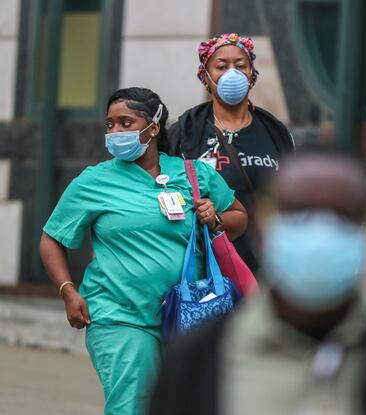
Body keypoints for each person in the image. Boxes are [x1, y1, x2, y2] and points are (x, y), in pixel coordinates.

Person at [149, 150, 366, 415]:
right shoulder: (200, 358)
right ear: (263, 232)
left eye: (343, 216)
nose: (321, 232)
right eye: (299, 213)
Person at [39, 87, 247, 415]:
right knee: (132, 405)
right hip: (120, 314)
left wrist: (215, 217)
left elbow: (239, 217)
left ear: (153, 127)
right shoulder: (92, 182)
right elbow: (52, 238)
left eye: (125, 123)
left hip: (188, 316)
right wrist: (67, 290)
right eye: (109, 125)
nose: (115, 132)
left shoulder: (193, 173)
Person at [167, 33, 295, 273]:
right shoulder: (185, 132)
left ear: (252, 75)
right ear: (205, 76)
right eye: (221, 66)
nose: (232, 73)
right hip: (204, 268)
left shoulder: (276, 133)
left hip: (266, 269)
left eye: (240, 66)